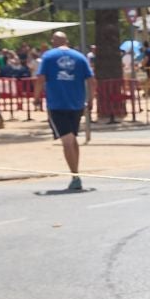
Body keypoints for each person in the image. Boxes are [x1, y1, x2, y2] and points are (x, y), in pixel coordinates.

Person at [34, 30, 93, 192]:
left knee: (67, 141)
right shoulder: (80, 57)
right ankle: (76, 172)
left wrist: (36, 97)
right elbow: (91, 79)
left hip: (57, 104)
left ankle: (75, 176)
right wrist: (91, 99)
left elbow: (40, 78)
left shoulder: (48, 57)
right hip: (76, 104)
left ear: (54, 41)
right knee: (72, 139)